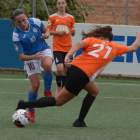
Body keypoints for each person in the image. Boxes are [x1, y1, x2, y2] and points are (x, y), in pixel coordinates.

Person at [15, 26, 140, 127]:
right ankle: (24, 104)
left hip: (73, 67)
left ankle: (80, 120)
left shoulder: (92, 40)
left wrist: (68, 55)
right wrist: (139, 36)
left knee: (94, 90)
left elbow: (79, 44)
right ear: (108, 39)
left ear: (101, 37)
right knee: (58, 102)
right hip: (82, 75)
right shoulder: (115, 47)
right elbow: (134, 47)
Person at [10, 9, 54, 122]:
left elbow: (47, 30)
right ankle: (31, 111)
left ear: (26, 16)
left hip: (43, 49)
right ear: (15, 22)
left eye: (24, 20)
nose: (23, 24)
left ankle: (47, 91)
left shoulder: (35, 21)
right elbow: (21, 57)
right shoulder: (16, 35)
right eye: (19, 22)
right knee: (35, 85)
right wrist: (34, 57)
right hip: (30, 57)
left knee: (48, 66)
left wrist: (47, 34)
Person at [46, 0, 75, 96]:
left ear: (66, 4)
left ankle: (64, 89)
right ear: (57, 6)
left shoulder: (71, 18)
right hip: (57, 46)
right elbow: (48, 32)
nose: (61, 5)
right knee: (59, 69)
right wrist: (58, 32)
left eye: (63, 3)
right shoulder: (52, 17)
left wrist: (73, 32)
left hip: (68, 47)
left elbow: (72, 33)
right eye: (59, 3)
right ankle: (58, 87)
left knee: (66, 70)